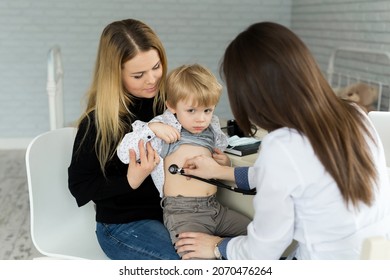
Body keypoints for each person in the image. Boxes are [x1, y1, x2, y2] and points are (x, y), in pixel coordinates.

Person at [175, 22, 390, 260]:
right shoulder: (355, 115)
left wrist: (218, 246)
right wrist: (223, 171)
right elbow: (298, 177)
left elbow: (262, 251)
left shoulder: (282, 145)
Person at [67, 19, 180, 260]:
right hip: (123, 226)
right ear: (114, 74)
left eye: (156, 66)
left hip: (172, 214)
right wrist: (130, 180)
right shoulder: (98, 121)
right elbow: (79, 186)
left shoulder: (168, 103)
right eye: (138, 75)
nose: (152, 79)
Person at [117, 64, 251, 258]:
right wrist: (152, 129)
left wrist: (224, 164)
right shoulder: (164, 128)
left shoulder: (211, 129)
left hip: (214, 208)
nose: (201, 119)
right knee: (194, 259)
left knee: (258, 234)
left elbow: (216, 162)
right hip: (183, 213)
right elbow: (123, 153)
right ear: (172, 106)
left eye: (207, 110)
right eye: (191, 111)